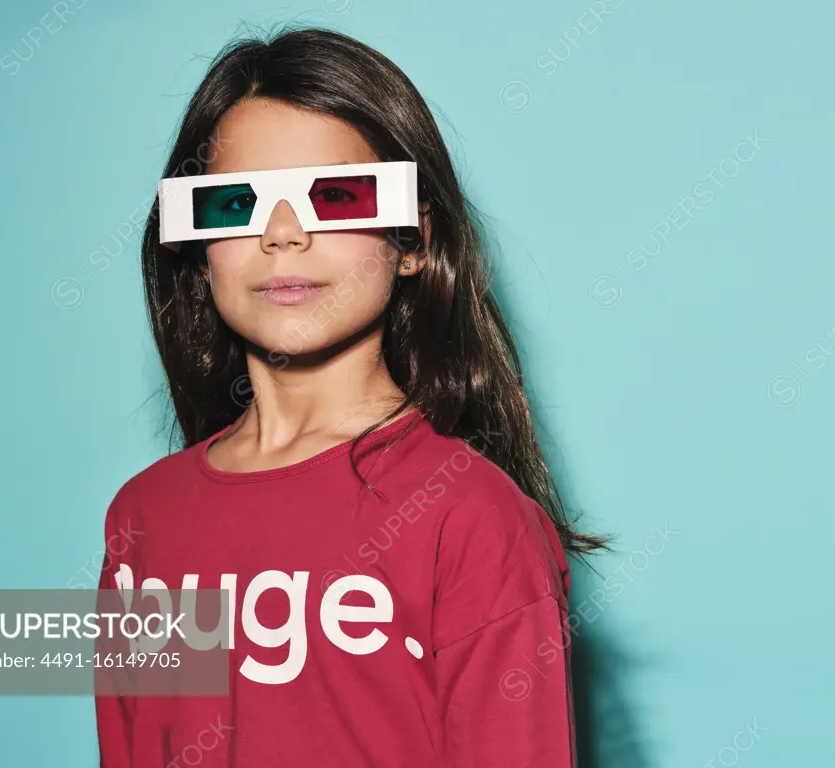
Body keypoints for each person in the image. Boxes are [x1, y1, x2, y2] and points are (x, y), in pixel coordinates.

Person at [95, 25, 606, 768]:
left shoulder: (473, 519)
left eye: (334, 196)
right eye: (235, 203)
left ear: (413, 241)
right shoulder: (142, 516)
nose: (282, 234)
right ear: (197, 252)